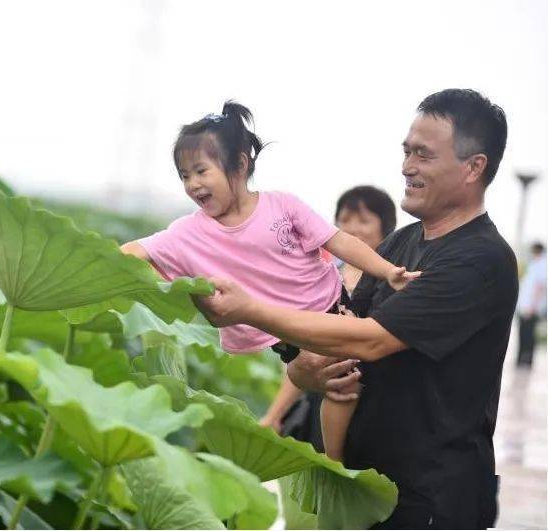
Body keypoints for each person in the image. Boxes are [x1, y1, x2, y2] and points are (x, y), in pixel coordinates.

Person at [194, 88, 517, 528]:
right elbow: (333, 330)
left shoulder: (481, 259)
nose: (407, 167)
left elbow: (371, 340)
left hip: (432, 499)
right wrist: (301, 370)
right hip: (365, 491)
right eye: (406, 152)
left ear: (473, 167)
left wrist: (250, 310)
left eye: (423, 155)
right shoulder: (399, 244)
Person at [120, 100, 418, 462]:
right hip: (282, 332)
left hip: (327, 304)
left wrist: (386, 270)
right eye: (184, 175)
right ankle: (336, 463)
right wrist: (167, 288)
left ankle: (335, 461)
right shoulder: (188, 232)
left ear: (240, 165)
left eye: (201, 171)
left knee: (345, 381)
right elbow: (133, 252)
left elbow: (337, 241)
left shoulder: (282, 206)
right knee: (340, 379)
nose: (193, 184)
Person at [262, 185, 397, 453]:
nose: (353, 228)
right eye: (345, 219)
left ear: (386, 226)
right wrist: (274, 415)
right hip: (323, 399)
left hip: (379, 407)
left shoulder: (392, 279)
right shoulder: (322, 277)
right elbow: (306, 355)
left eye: (363, 220)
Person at [516, 242, 546, 367]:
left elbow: (540, 287)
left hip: (531, 308)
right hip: (526, 306)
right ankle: (521, 359)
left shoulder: (542, 265)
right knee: (523, 333)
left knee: (528, 334)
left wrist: (532, 306)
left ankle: (526, 360)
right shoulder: (534, 264)